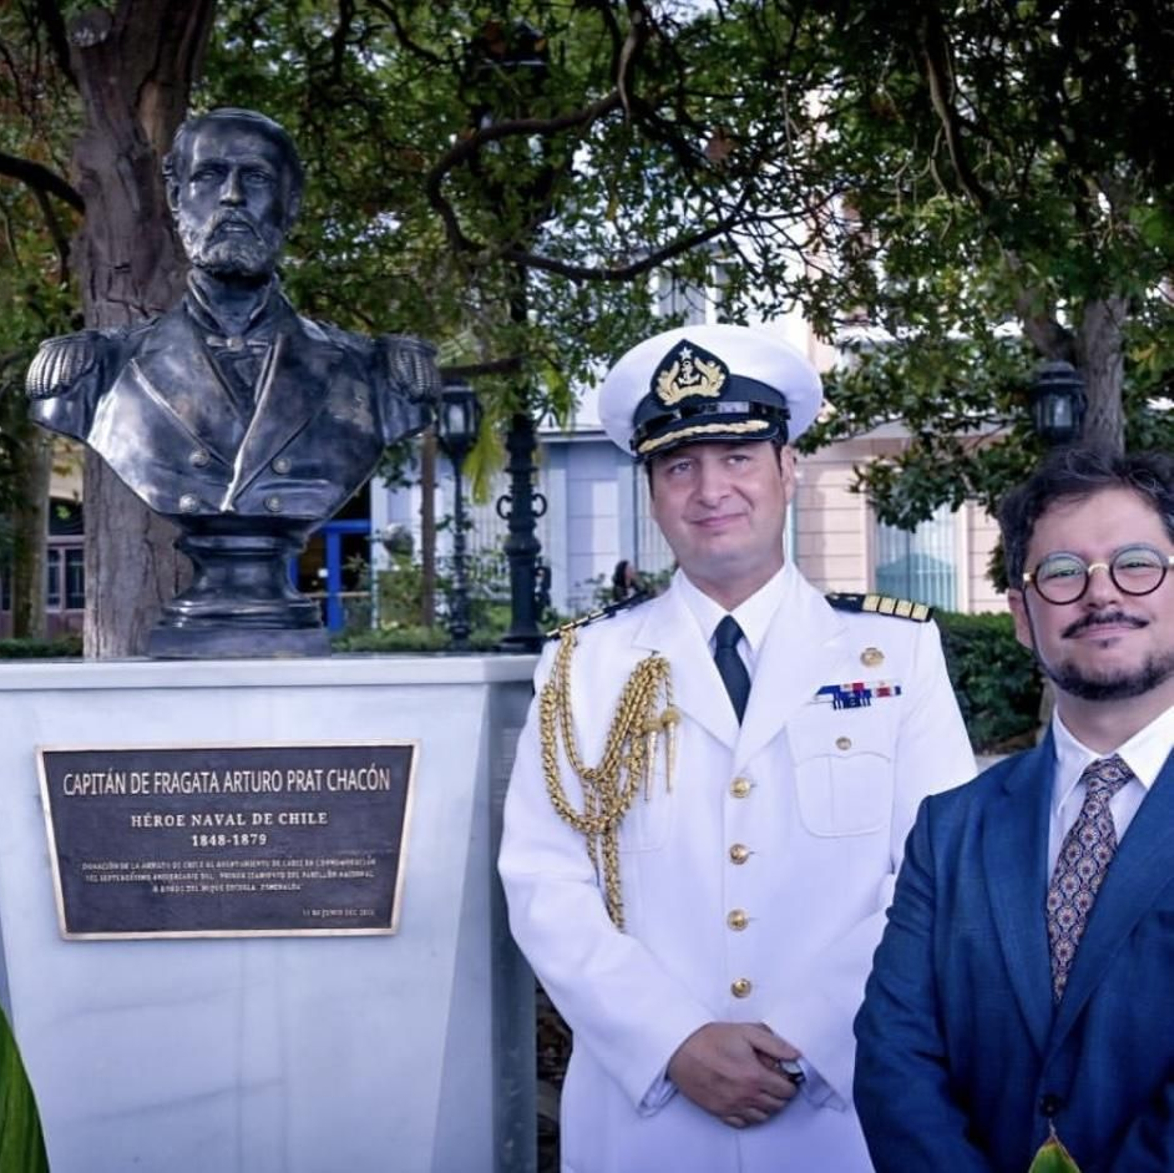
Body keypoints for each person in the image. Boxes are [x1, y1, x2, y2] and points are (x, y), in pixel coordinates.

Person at [498, 323, 974, 1173]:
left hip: (845, 1101)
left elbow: (935, 874)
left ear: (789, 469)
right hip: (648, 1113)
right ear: (653, 493)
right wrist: (672, 1039)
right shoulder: (583, 666)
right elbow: (543, 880)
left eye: (738, 457)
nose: (710, 489)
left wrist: (804, 1036)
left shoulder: (895, 655)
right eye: (680, 466)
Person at [855, 447, 1174, 1172]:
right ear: (1023, 616)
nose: (1101, 594)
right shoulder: (951, 829)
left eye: (1136, 563)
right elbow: (894, 1053)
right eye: (1061, 572)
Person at [26, 106, 437, 523]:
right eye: (209, 175)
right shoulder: (99, 373)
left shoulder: (373, 373)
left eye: (256, 177)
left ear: (291, 204)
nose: (232, 195)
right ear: (175, 197)